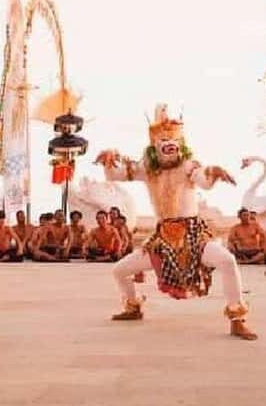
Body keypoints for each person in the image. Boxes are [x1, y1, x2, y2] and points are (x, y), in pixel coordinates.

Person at [96, 104, 256, 339]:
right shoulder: (148, 169)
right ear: (154, 146)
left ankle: (237, 318)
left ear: (181, 145)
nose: (168, 145)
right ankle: (133, 306)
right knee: (119, 271)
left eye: (172, 141)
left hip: (192, 234)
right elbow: (115, 175)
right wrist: (108, 159)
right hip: (162, 238)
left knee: (227, 261)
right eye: (162, 141)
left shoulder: (188, 165)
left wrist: (213, 173)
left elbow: (203, 180)